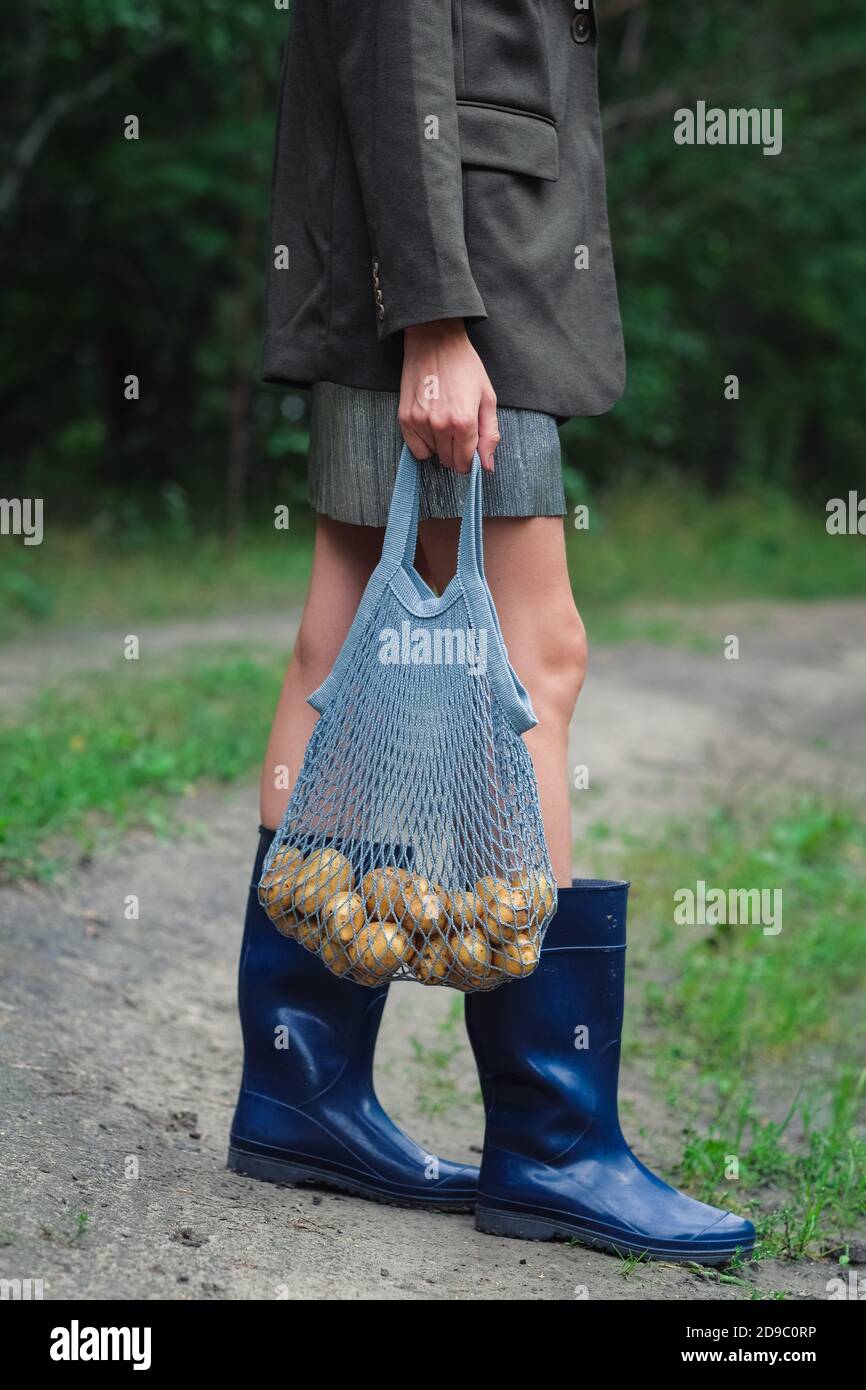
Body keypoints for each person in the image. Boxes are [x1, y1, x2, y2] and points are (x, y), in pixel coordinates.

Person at [228, 1, 755, 1264]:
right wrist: (431, 313)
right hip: (447, 269)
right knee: (537, 652)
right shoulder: (439, 302)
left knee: (339, 637)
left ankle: (299, 1089)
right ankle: (552, 1140)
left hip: (417, 243)